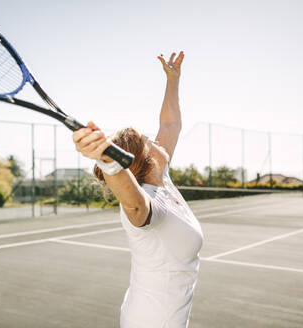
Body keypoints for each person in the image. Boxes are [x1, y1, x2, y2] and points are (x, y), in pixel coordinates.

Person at [73, 51, 203, 328]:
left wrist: (173, 80)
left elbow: (171, 125)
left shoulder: (162, 179)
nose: (155, 140)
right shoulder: (147, 202)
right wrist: (108, 162)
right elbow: (134, 206)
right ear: (143, 159)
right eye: (147, 140)